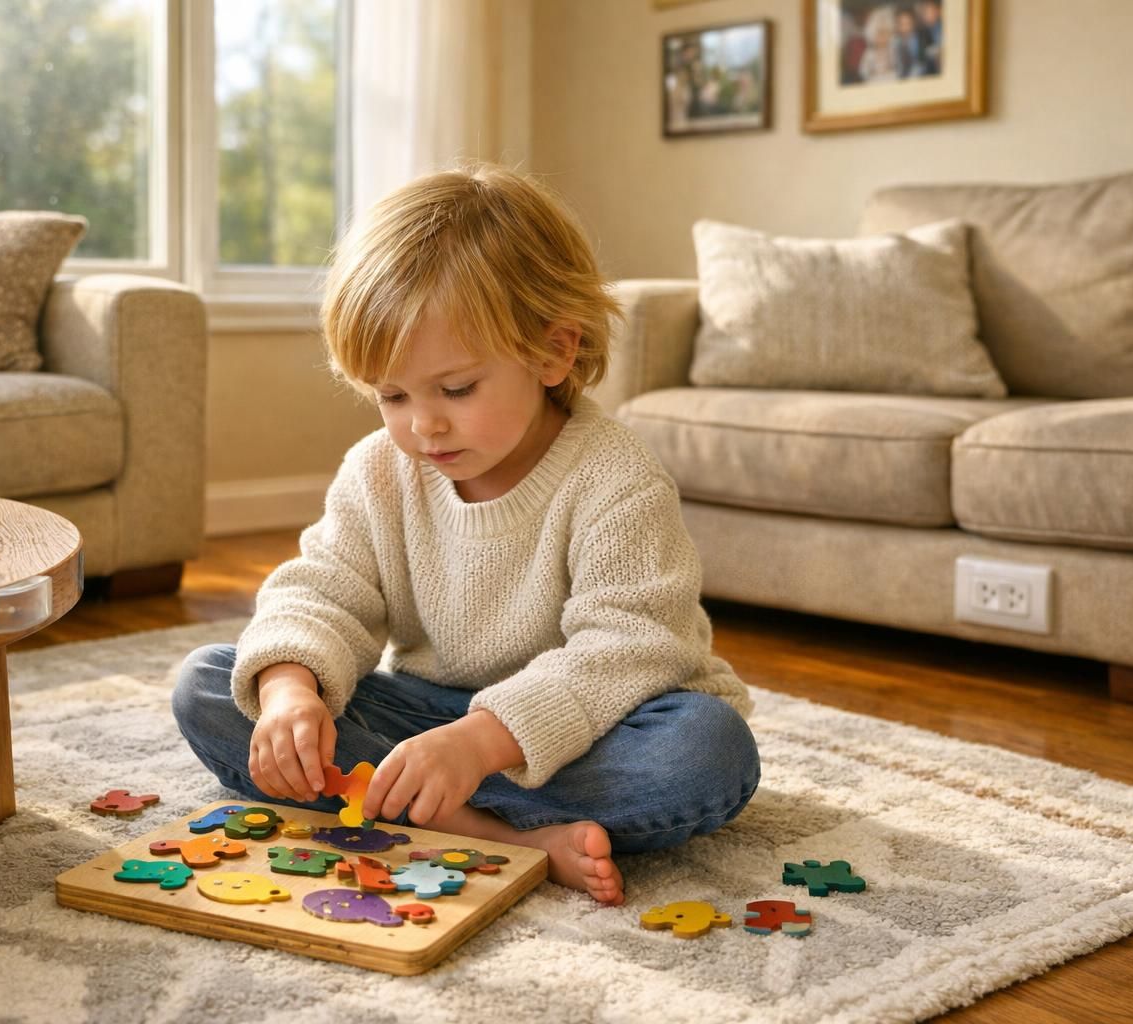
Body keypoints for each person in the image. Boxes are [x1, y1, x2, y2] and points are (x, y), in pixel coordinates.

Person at [172, 164, 760, 907]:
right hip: (425, 716)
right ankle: (494, 833)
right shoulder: (380, 470)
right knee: (211, 684)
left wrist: (479, 743)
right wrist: (292, 694)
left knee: (707, 750)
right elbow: (323, 591)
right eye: (392, 395)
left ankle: (431, 812)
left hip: (594, 725)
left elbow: (631, 648)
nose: (424, 424)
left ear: (554, 352)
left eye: (455, 390)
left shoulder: (617, 476)